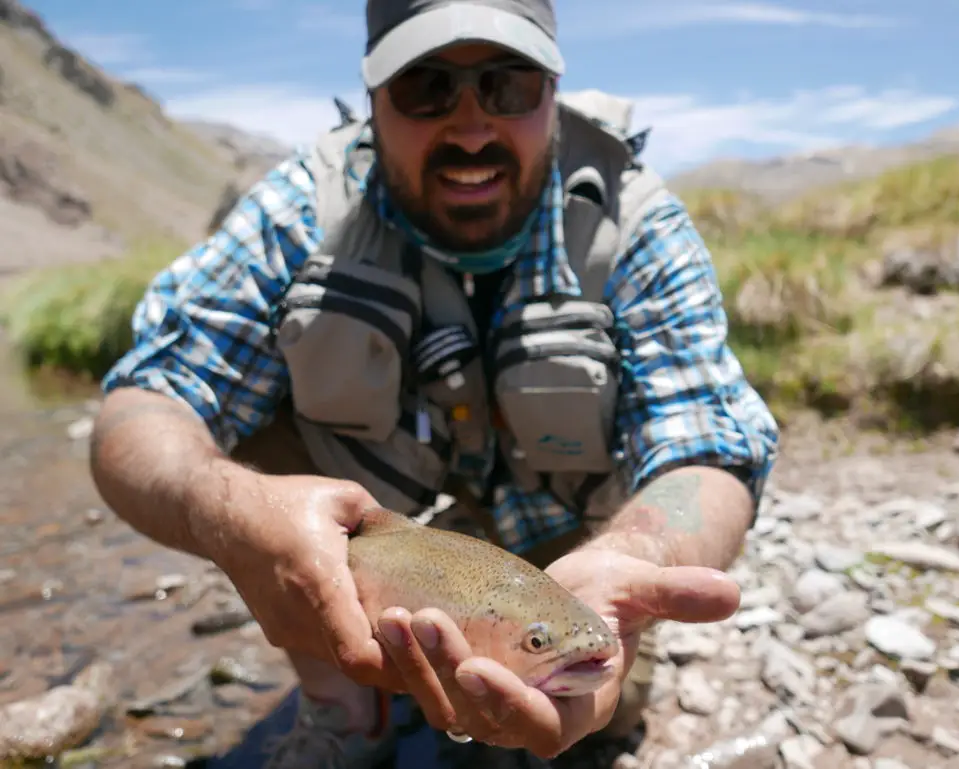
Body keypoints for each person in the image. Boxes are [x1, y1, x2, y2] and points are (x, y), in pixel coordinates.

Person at [87, 0, 780, 766]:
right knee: (227, 455)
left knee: (593, 722)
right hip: (362, 555)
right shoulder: (300, 210)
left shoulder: (632, 219)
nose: (472, 125)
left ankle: (555, 676)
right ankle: (344, 703)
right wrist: (229, 511)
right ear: (373, 97)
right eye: (427, 87)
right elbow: (145, 400)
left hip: (567, 561)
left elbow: (711, 442)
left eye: (507, 84)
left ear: (553, 88)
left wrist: (638, 561)